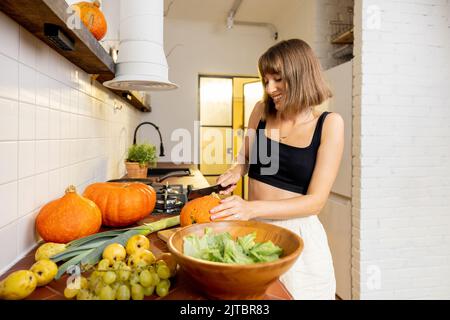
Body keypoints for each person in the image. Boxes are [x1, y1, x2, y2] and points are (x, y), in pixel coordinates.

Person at [209, 39, 344, 300]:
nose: (269, 88)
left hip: (298, 239)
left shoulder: (329, 124)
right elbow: (244, 158)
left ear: (301, 76)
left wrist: (250, 207)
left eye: (277, 79)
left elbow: (315, 202)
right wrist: (236, 171)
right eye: (265, 80)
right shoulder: (260, 111)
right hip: (254, 231)